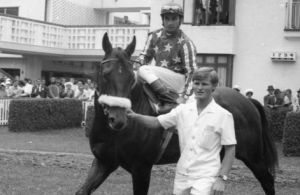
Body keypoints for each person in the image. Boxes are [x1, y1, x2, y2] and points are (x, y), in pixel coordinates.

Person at [128, 67, 236, 195]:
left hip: (206, 177)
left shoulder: (224, 116)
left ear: (214, 87)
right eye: (196, 83)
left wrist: (221, 178)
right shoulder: (182, 110)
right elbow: (156, 122)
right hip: (182, 176)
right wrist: (133, 116)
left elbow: (230, 149)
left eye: (204, 84)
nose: (200, 87)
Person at [135, 2, 197, 114]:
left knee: (144, 70)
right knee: (137, 72)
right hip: (160, 79)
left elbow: (192, 72)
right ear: (162, 20)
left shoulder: (186, 43)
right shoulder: (154, 36)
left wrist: (185, 96)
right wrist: (138, 62)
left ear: (180, 21)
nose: (170, 22)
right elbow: (145, 55)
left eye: (174, 19)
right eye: (167, 19)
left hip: (178, 82)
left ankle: (170, 100)